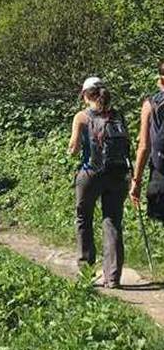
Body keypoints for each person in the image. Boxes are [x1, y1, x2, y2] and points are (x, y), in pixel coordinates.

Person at [68, 77, 131, 289]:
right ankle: (113, 277)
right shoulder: (118, 115)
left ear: (86, 95)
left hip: (90, 173)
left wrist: (71, 150)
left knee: (83, 218)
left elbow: (74, 149)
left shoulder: (82, 116)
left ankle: (86, 270)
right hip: (117, 175)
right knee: (112, 221)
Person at [129, 61, 164, 218]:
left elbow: (144, 146)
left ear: (160, 80)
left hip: (160, 173)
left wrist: (136, 181)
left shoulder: (151, 105)